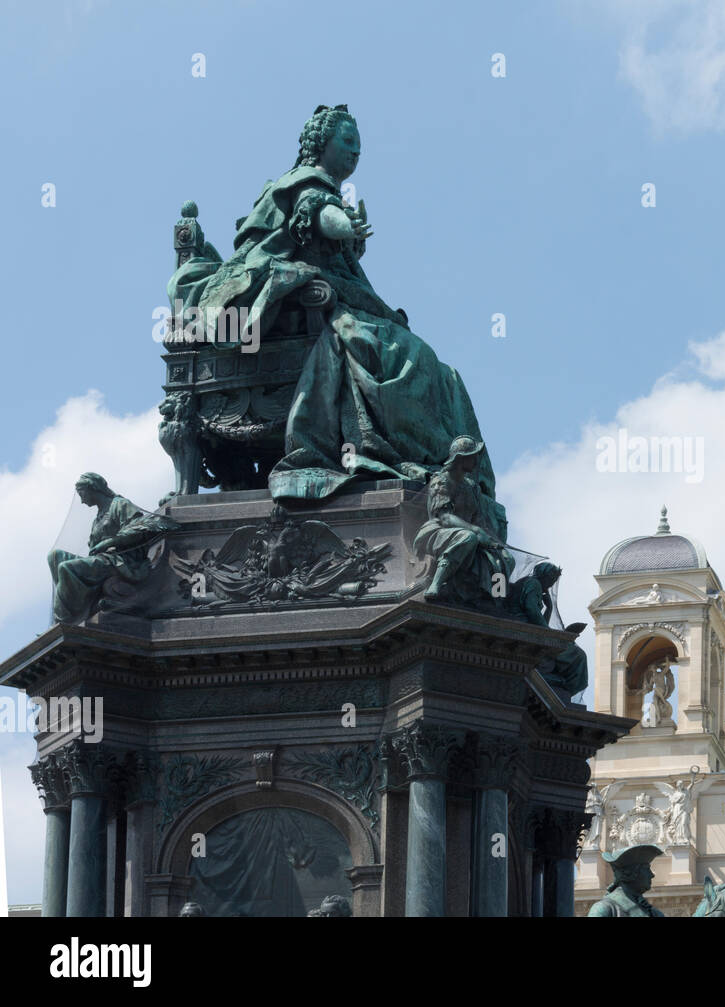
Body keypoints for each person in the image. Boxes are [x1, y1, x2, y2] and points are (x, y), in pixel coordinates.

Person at [168, 105, 505, 537]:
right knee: (398, 355)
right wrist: (347, 225)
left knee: (436, 369)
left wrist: (346, 230)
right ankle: (401, 453)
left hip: (329, 302)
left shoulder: (319, 188)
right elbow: (317, 215)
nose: (355, 152)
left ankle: (434, 463)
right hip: (299, 314)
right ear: (320, 144)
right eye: (347, 142)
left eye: (359, 146)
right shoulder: (305, 185)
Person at [47, 473, 177, 624]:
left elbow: (139, 531)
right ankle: (75, 609)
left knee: (66, 568)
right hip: (104, 561)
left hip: (122, 561)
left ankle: (64, 622)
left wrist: (108, 543)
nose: (81, 501)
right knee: (55, 556)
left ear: (93, 488)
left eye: (81, 493)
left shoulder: (120, 504)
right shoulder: (98, 518)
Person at [413, 437, 514, 604]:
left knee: (505, 557)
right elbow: (443, 517)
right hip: (438, 532)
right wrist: (475, 531)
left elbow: (479, 521)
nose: (476, 460)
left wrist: (492, 541)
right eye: (472, 456)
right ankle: (436, 583)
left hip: (470, 534)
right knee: (467, 537)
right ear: (460, 458)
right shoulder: (441, 481)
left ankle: (491, 598)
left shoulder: (472, 486)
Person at [507, 561, 589, 695]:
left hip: (529, 629)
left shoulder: (531, 583)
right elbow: (531, 610)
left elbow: (536, 619)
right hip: (525, 630)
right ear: (545, 576)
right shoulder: (534, 584)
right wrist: (550, 634)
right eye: (551, 580)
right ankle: (562, 687)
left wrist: (549, 609)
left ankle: (560, 687)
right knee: (578, 655)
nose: (551, 584)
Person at [587, 845, 665, 917]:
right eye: (647, 869)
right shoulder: (604, 909)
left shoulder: (653, 913)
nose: (652, 875)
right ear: (632, 873)